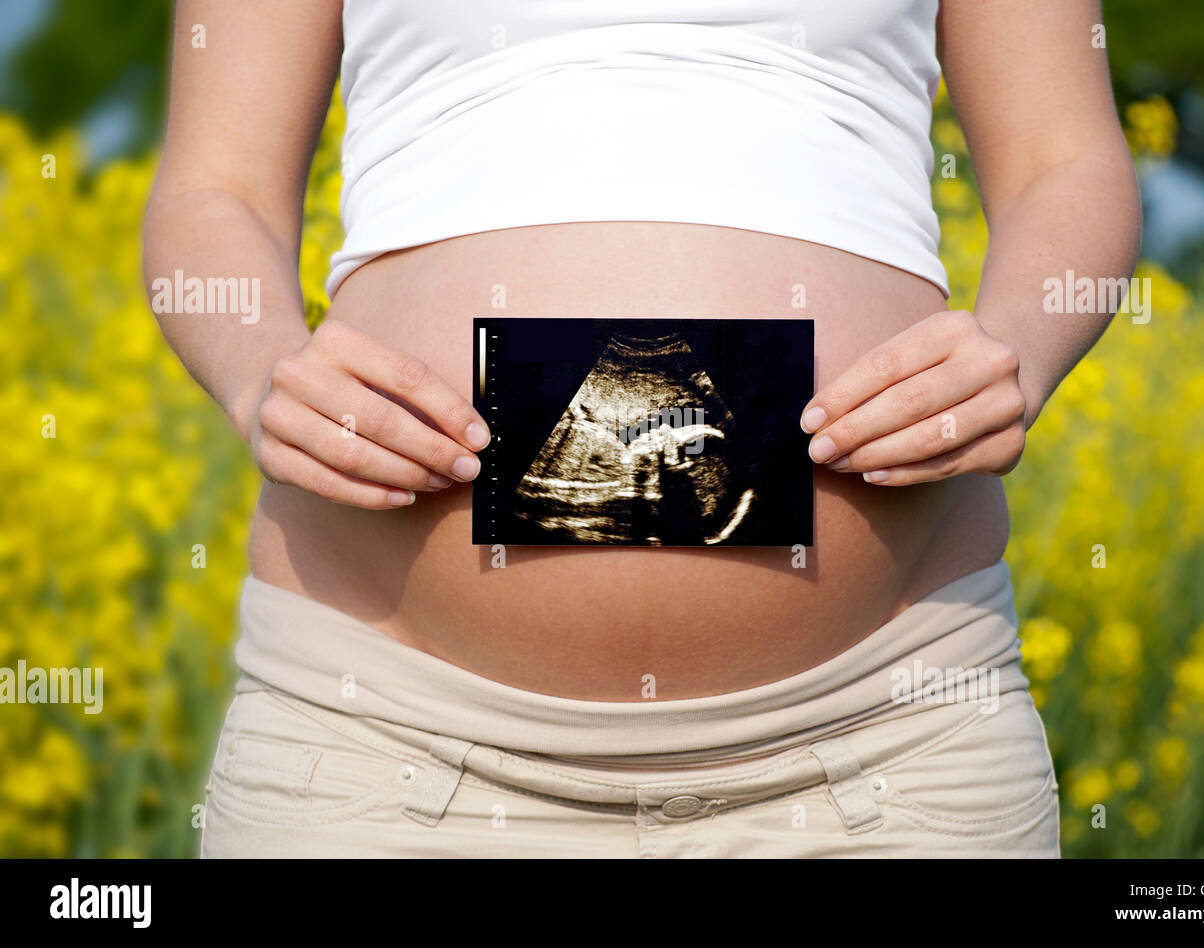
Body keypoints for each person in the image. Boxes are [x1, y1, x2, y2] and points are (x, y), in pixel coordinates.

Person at [144, 0, 1139, 857]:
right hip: (385, 740)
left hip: (885, 744)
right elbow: (213, 188)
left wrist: (1019, 344)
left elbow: (1067, 160)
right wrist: (259, 367)